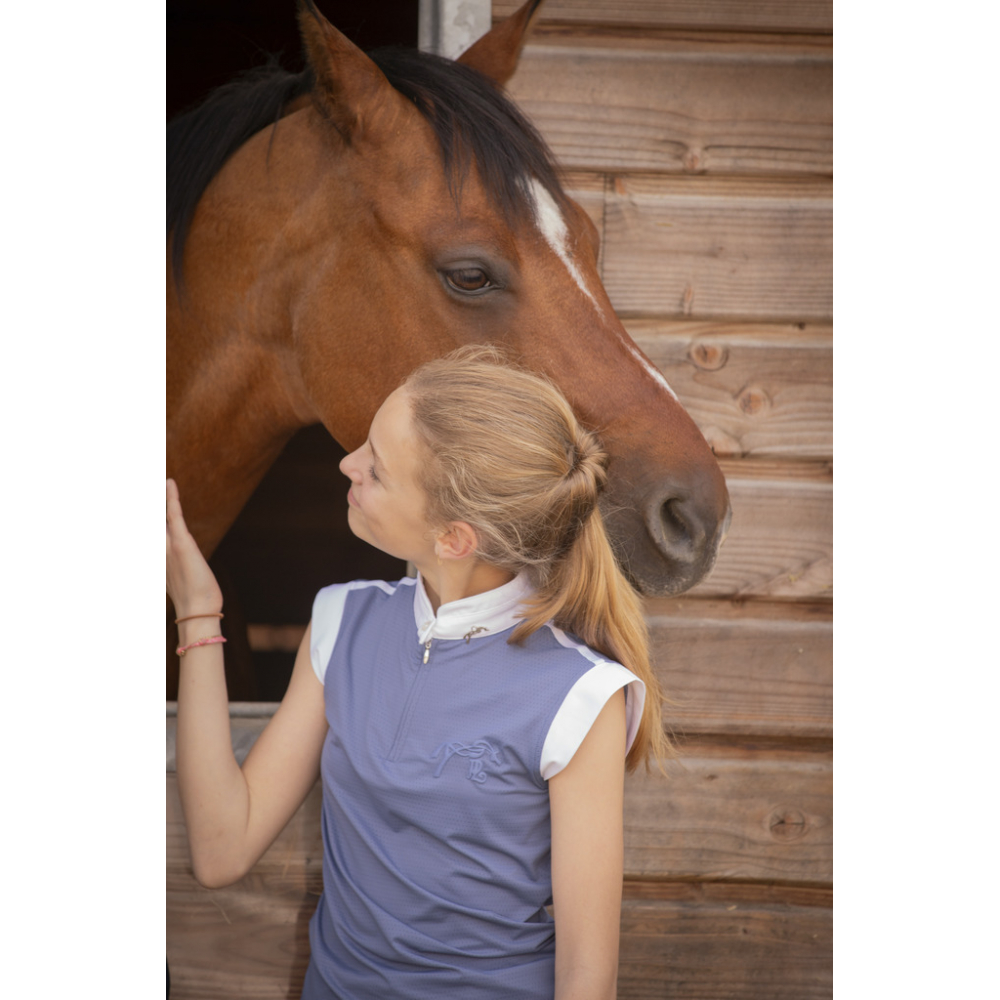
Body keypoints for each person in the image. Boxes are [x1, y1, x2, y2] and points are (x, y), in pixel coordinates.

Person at [166, 345, 672, 1000]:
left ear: (454, 539)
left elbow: (586, 980)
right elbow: (222, 847)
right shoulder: (340, 622)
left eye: (375, 468)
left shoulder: (579, 695)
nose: (347, 464)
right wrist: (198, 614)